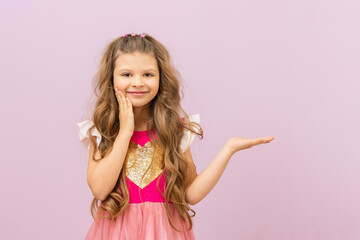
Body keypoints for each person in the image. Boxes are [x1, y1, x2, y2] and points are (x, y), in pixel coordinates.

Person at [76, 33, 274, 240]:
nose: (137, 82)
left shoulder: (174, 130)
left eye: (148, 75)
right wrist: (125, 132)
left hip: (165, 233)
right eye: (126, 75)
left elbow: (191, 194)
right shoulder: (102, 129)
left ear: (161, 78)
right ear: (111, 78)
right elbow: (99, 190)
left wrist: (229, 149)